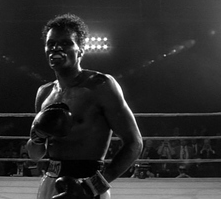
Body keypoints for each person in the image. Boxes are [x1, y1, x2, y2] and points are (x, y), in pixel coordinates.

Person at [26, 13, 143, 199]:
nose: (56, 47)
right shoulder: (44, 93)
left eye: (65, 43)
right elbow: (35, 155)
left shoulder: (100, 85)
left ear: (81, 50)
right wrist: (37, 137)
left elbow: (134, 143)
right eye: (51, 43)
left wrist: (90, 187)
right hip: (50, 180)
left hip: (88, 184)